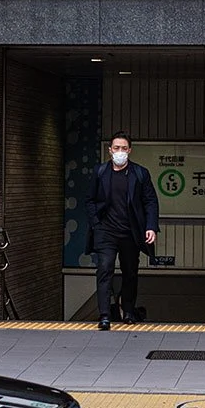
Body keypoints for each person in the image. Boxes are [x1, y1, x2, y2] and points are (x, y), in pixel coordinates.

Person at [86, 134, 158, 330]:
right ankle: (104, 315)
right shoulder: (100, 172)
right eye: (116, 148)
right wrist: (96, 224)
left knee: (130, 272)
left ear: (129, 151)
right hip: (106, 231)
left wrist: (150, 226)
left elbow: (150, 201)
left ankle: (128, 311)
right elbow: (90, 200)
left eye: (124, 148)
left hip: (130, 232)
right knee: (104, 269)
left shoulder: (140, 173)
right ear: (110, 150)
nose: (120, 152)